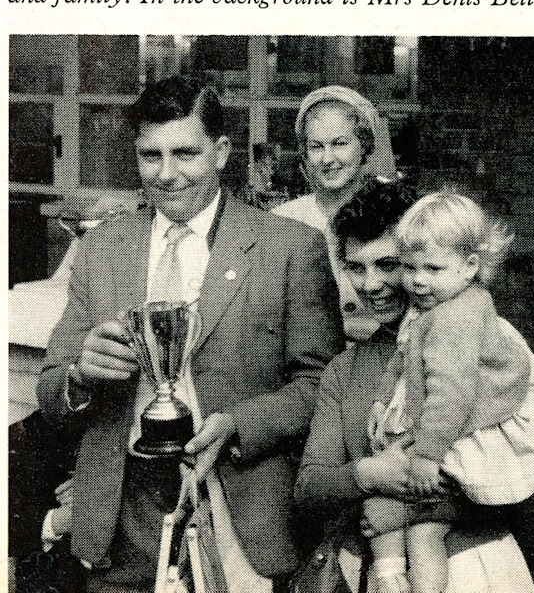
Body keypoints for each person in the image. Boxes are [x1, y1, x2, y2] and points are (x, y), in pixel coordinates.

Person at [37, 74, 343, 590]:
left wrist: (239, 425)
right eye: (149, 155)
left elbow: (323, 386)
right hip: (119, 515)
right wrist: (80, 376)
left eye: (185, 153)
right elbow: (50, 393)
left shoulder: (290, 247)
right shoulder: (101, 248)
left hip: (236, 509)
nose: (166, 174)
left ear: (221, 153)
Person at [296, 181, 534, 593]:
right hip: (378, 571)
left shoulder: (488, 340)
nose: (371, 284)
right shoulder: (345, 369)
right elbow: (310, 487)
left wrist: (412, 504)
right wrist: (369, 474)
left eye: (388, 264)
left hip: (472, 568)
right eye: (355, 267)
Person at [276, 87, 398, 337]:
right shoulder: (282, 220)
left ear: (364, 145)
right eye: (316, 146)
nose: (327, 158)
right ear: (305, 153)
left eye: (340, 144)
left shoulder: (400, 207)